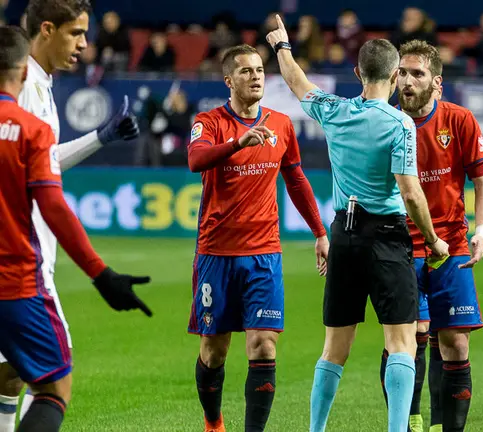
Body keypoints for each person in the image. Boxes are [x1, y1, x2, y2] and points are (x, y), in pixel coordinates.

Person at [265, 15, 450, 432]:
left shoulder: (334, 112)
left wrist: (281, 46)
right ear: (395, 73)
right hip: (386, 238)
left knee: (334, 349)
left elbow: (296, 82)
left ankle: (316, 429)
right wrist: (435, 241)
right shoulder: (400, 123)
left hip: (343, 236)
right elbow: (410, 193)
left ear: (358, 73)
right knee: (401, 343)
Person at [0, 25, 151, 432]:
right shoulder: (28, 126)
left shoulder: (39, 100)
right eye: (76, 32)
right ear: (23, 70)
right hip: (15, 279)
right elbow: (52, 204)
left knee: (12, 371)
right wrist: (101, 273)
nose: (83, 44)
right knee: (54, 384)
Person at [386, 40, 483, 432]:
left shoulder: (459, 121)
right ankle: (409, 418)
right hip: (399, 247)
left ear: (437, 82)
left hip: (450, 247)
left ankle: (443, 426)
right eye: (402, 72)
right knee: (406, 341)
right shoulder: (384, 122)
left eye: (417, 73)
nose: (407, 80)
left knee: (454, 342)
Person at [186, 44, 328, 432]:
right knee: (214, 352)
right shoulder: (210, 121)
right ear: (229, 80)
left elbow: (296, 179)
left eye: (260, 69)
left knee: (264, 344)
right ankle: (213, 422)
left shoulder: (281, 124)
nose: (256, 76)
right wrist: (238, 142)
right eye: (246, 71)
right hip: (216, 253)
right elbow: (196, 160)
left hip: (264, 254)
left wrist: (320, 231)